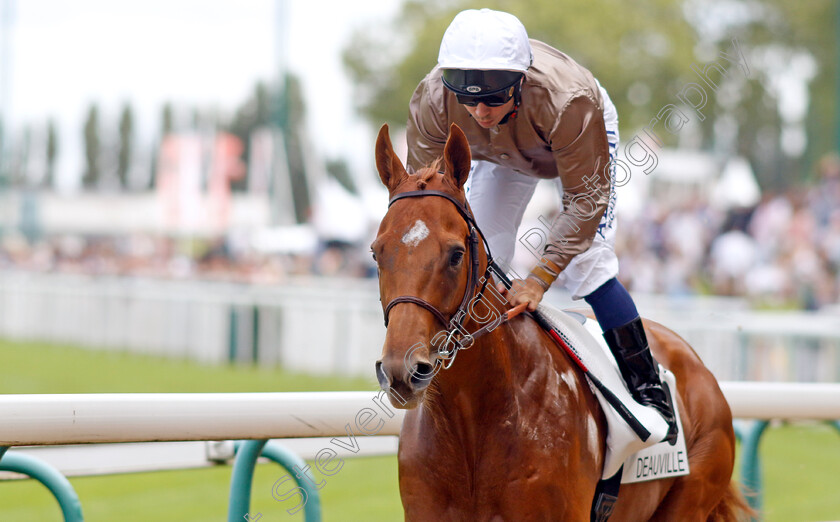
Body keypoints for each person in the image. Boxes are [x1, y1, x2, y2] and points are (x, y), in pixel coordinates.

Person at [406, 8, 676, 441]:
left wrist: (540, 278)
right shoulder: (431, 99)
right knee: (483, 257)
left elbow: (587, 202)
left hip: (568, 139)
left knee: (588, 264)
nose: (479, 110)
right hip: (500, 156)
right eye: (468, 96)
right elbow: (426, 202)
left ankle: (650, 392)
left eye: (494, 96)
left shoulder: (572, 100)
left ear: (520, 80)